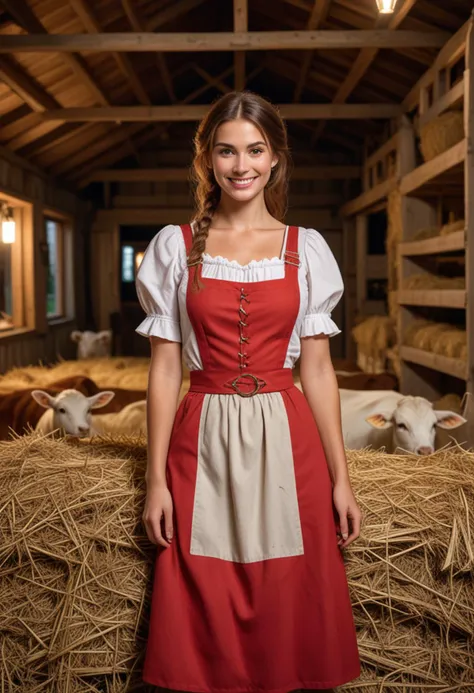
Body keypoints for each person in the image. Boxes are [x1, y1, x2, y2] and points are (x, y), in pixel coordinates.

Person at [135, 90, 362, 693]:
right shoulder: (175, 247)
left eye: (255, 151)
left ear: (275, 159)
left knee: (289, 584)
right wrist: (155, 480)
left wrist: (342, 478)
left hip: (289, 436)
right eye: (227, 151)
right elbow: (164, 370)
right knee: (200, 583)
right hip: (201, 435)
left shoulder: (305, 248)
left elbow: (317, 369)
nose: (242, 166)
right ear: (208, 159)